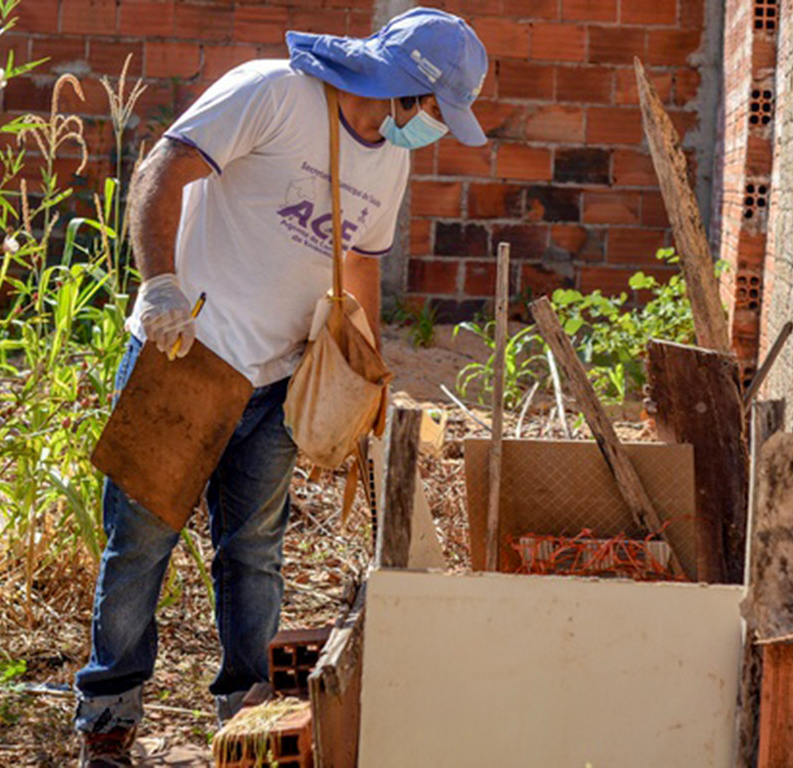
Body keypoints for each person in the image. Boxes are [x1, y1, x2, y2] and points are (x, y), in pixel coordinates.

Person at [72, 9, 489, 767]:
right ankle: (108, 719)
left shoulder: (390, 160)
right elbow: (161, 169)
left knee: (255, 551)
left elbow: (359, 264)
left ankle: (249, 719)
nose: (433, 129)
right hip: (187, 353)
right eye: (434, 111)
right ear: (403, 89)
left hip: (280, 380)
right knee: (140, 546)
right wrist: (160, 285)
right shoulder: (270, 93)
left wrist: (367, 371)